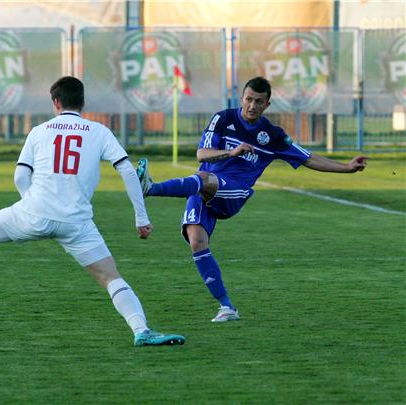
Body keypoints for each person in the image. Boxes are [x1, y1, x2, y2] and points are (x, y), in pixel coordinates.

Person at [0, 76, 185, 347]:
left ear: (55, 103)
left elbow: (20, 177)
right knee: (110, 277)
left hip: (32, 213)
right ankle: (141, 331)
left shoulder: (40, 131)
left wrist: (33, 205)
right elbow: (128, 172)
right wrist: (141, 218)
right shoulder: (99, 132)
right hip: (76, 223)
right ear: (82, 103)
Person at [136, 76, 369, 323]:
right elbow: (202, 153)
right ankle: (227, 308)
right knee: (197, 241)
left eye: (259, 101)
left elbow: (308, 158)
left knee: (204, 178)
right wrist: (231, 151)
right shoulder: (224, 119)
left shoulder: (273, 134)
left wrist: (347, 167)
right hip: (203, 187)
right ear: (242, 98)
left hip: (234, 192)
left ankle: (150, 188)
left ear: (267, 104)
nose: (252, 106)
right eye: (249, 99)